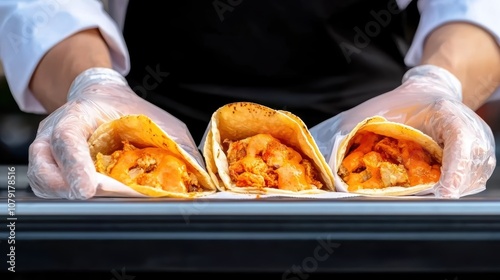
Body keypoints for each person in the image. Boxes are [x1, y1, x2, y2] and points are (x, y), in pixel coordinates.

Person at [0, 0, 499, 199]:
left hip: (382, 125)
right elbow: (44, 6)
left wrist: (439, 85)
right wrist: (91, 85)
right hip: (160, 140)